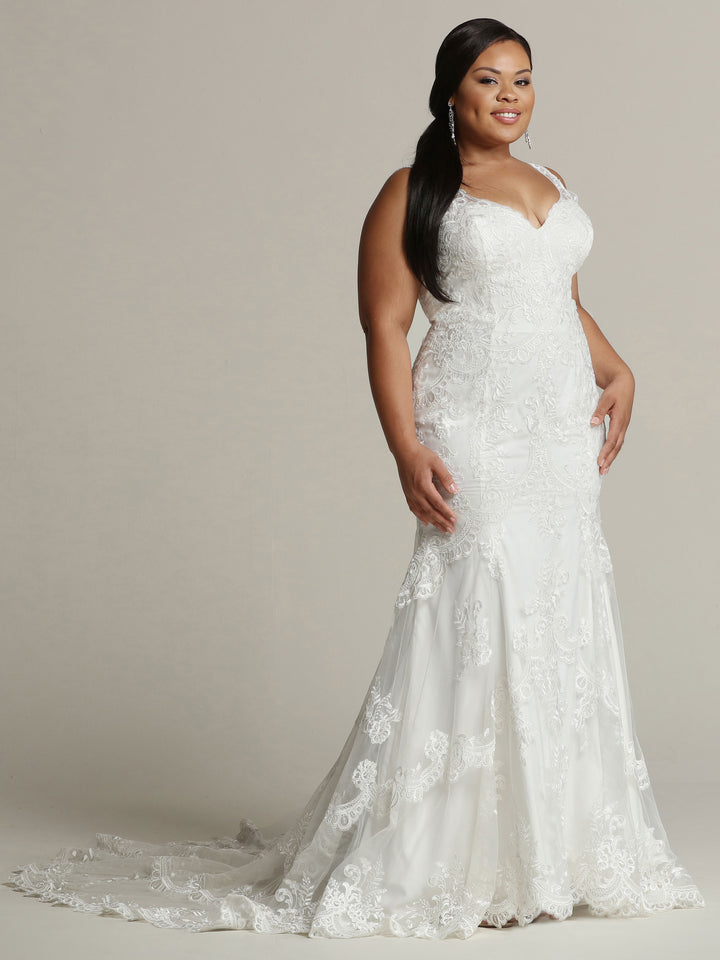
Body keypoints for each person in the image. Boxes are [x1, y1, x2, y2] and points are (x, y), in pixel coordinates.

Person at [6, 17, 705, 939]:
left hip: (556, 434)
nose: (509, 95)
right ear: (450, 92)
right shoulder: (416, 191)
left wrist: (618, 368)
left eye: (524, 79)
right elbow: (384, 328)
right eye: (489, 79)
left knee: (558, 598)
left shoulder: (555, 185)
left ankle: (549, 851)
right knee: (477, 602)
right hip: (475, 426)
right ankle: (443, 856)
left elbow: (559, 299)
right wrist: (404, 445)